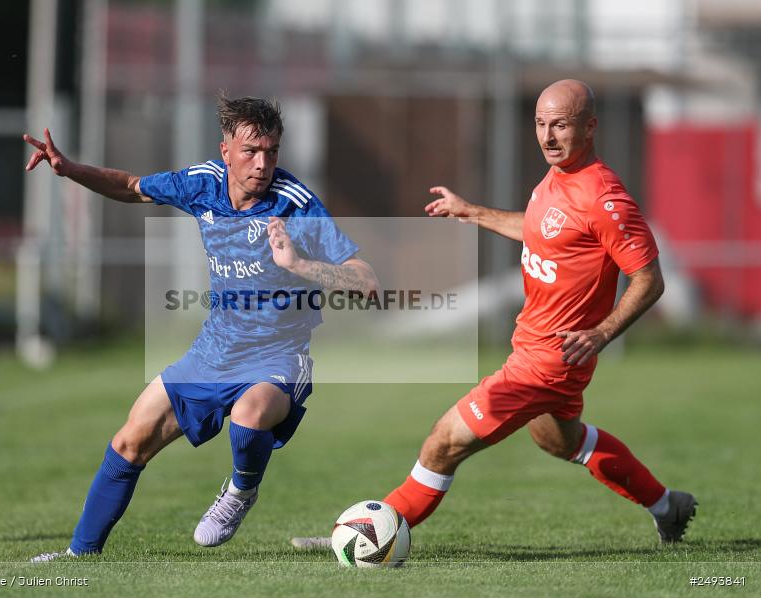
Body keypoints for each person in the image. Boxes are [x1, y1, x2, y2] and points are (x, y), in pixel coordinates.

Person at [293, 79, 696, 550]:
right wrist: (471, 212)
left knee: (444, 441)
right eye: (541, 124)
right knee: (559, 441)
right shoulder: (556, 178)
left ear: (589, 127)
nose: (547, 137)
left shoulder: (604, 198)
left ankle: (365, 537)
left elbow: (650, 280)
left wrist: (602, 332)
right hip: (537, 349)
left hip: (548, 361)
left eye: (560, 126)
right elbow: (538, 232)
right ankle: (667, 506)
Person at [25, 94, 378, 561]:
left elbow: (367, 281)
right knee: (130, 440)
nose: (263, 163)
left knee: (250, 416)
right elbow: (131, 186)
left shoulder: (296, 203)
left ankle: (241, 491)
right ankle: (78, 557)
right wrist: (69, 169)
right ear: (225, 150)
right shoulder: (202, 183)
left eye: (271, 151)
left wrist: (298, 263)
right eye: (251, 151)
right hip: (213, 352)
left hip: (278, 355)